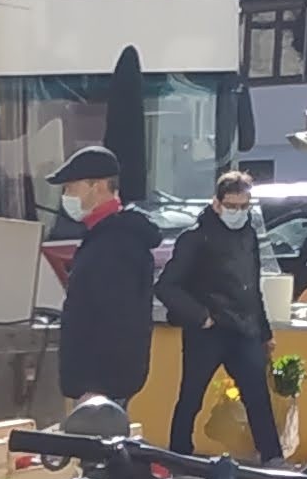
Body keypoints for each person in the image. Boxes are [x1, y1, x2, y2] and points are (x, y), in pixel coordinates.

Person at [157, 168, 282, 459]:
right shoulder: (195, 238)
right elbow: (166, 286)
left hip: (244, 330)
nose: (238, 212)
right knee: (191, 397)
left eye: (243, 206)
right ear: (217, 203)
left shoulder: (248, 236)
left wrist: (264, 333)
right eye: (232, 206)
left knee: (258, 398)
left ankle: (273, 457)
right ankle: (179, 456)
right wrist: (201, 316)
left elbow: (253, 288)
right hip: (208, 332)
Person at [49, 149, 160, 412]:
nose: (67, 196)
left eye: (71, 187)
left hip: (103, 386)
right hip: (102, 384)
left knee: (99, 449)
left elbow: (117, 321)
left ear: (97, 186)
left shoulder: (116, 243)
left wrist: (95, 386)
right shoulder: (106, 237)